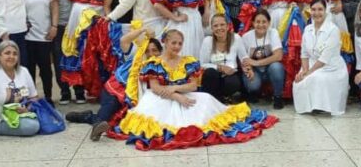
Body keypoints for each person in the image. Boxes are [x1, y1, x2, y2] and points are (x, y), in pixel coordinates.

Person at [110, 29, 277, 150]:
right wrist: (177, 97)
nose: (176, 46)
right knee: (158, 115)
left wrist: (176, 88)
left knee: (204, 100)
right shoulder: (153, 63)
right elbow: (155, 88)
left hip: (184, 93)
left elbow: (193, 85)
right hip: (160, 98)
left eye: (179, 43)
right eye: (173, 43)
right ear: (165, 42)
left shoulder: (187, 61)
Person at [65, 26, 163, 141]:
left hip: (131, 100)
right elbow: (124, 40)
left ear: (161, 52)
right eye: (147, 50)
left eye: (155, 50)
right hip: (115, 89)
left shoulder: (161, 67)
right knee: (111, 106)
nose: (151, 53)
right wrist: (143, 30)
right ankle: (97, 126)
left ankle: (88, 117)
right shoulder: (136, 55)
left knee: (118, 120)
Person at [293, 0, 349, 115]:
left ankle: (322, 106)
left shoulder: (333, 30)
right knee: (299, 81)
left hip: (331, 67)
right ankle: (310, 106)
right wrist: (304, 70)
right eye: (313, 9)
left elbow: (324, 59)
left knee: (315, 78)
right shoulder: (308, 29)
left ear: (325, 11)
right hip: (313, 65)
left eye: (320, 9)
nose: (316, 13)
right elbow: (304, 54)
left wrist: (308, 73)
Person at [49, 0, 89, 104]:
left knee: (78, 58)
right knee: (60, 58)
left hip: (78, 24)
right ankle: (64, 91)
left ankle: (79, 91)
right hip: (60, 24)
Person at [18, 0, 56, 104]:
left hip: (44, 35)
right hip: (26, 36)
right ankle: (30, 99)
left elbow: (54, 6)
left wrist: (53, 26)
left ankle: (48, 98)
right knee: (27, 70)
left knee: (46, 70)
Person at [241, 9, 286, 109]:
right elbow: (243, 60)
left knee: (277, 67)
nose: (261, 25)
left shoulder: (273, 32)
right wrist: (249, 69)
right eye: (257, 22)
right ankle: (253, 93)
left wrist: (256, 63)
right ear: (252, 23)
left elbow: (278, 55)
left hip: (269, 69)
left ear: (269, 23)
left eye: (264, 22)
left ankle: (278, 97)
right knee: (253, 85)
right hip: (254, 70)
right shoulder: (245, 37)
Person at [199, 14, 247, 101]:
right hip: (214, 75)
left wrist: (248, 68)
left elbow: (244, 57)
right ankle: (214, 100)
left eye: (222, 25)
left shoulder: (236, 38)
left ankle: (224, 97)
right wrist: (220, 67)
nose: (219, 28)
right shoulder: (207, 41)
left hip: (231, 74)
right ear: (212, 28)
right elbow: (202, 64)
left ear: (228, 26)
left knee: (233, 82)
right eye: (215, 26)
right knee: (210, 73)